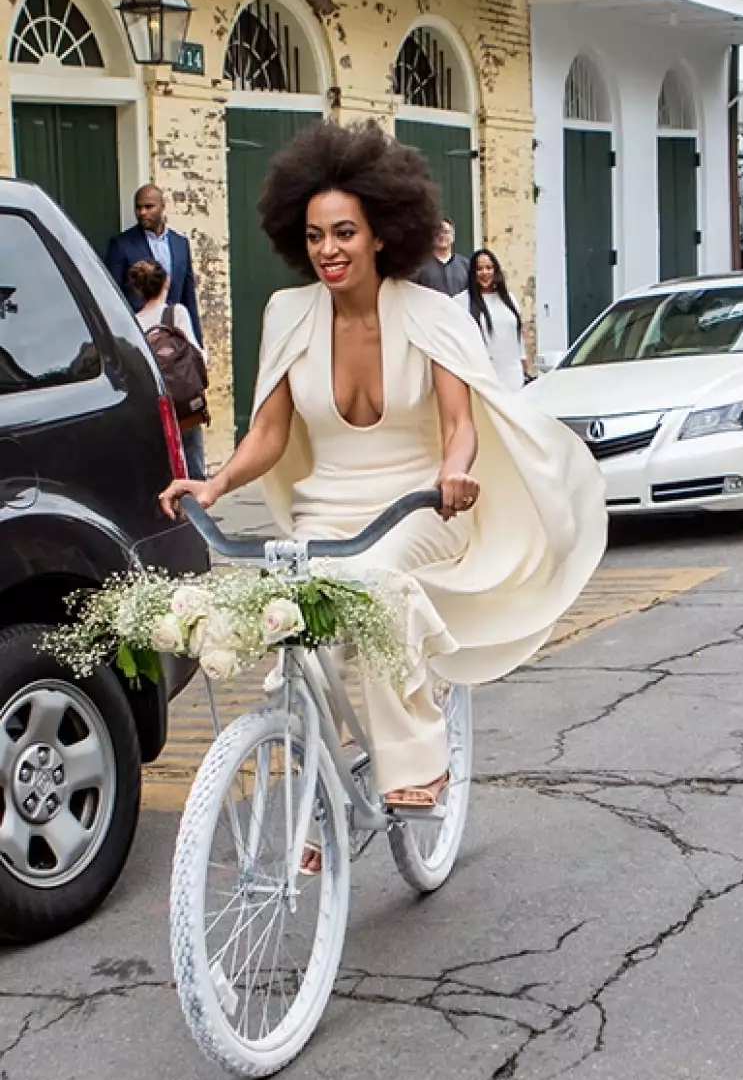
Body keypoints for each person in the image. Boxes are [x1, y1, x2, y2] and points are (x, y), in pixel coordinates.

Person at [158, 121, 605, 864]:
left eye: (343, 233)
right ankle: (322, 794)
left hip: (416, 504)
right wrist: (216, 481)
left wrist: (453, 475)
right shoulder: (288, 314)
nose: (327, 251)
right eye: (313, 236)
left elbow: (460, 425)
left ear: (380, 234)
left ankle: (418, 758)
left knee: (368, 583)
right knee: (299, 630)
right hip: (323, 506)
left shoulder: (432, 313)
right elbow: (269, 432)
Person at [128, 259, 207, 480]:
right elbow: (196, 355)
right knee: (194, 466)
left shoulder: (133, 323)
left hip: (154, 406)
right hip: (182, 402)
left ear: (138, 289)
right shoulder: (175, 313)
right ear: (166, 283)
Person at [105, 185, 203, 336]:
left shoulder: (180, 244)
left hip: (176, 337)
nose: (143, 212)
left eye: (149, 207)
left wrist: (197, 345)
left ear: (162, 206)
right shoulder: (121, 245)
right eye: (138, 208)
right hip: (139, 334)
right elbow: (111, 296)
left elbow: (188, 296)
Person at [456, 249, 531, 390]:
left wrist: (525, 368)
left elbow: (518, 340)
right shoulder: (461, 301)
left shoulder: (509, 299)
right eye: (479, 269)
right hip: (482, 377)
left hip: (513, 376)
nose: (484, 273)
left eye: (489, 268)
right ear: (473, 273)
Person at [415, 217, 470, 297]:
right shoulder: (421, 265)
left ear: (453, 237)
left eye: (446, 232)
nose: (441, 235)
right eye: (437, 232)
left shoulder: (466, 265)